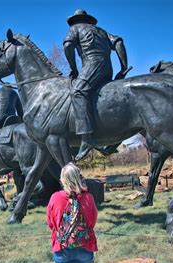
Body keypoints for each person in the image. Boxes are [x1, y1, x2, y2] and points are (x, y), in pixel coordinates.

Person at [63, 9, 129, 161]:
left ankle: (87, 138)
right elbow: (118, 42)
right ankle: (108, 139)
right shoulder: (101, 30)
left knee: (78, 92)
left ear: (75, 20)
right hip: (107, 68)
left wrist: (73, 68)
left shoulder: (75, 28)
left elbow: (67, 46)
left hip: (91, 65)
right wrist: (123, 67)